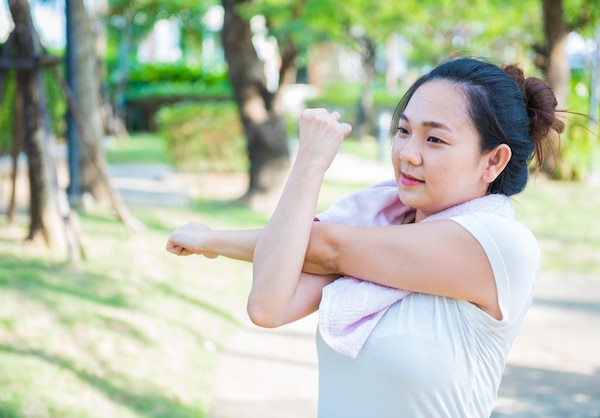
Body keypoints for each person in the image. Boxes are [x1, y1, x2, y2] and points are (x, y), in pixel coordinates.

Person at [166, 56, 564, 417]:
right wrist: (211, 239)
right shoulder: (382, 224)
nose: (407, 153)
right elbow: (269, 305)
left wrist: (309, 164)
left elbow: (326, 246)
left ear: (493, 160)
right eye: (404, 130)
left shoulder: (501, 245)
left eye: (434, 139)